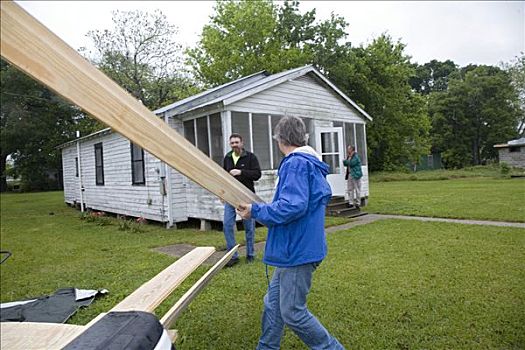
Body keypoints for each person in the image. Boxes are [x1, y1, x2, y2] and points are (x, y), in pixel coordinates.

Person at [237, 116, 344, 350]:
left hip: (298, 250)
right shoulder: (309, 161)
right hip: (298, 246)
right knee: (273, 304)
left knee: (293, 312)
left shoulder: (295, 163)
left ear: (280, 139)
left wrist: (256, 211)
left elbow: (292, 206)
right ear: (302, 137)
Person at [223, 133, 261, 267]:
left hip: (246, 197)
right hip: (230, 196)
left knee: (249, 227)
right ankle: (233, 256)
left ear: (242, 143)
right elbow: (223, 177)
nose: (234, 145)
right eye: (232, 143)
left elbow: (257, 174)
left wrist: (241, 172)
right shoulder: (227, 158)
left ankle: (250, 254)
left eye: (236, 142)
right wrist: (222, 194)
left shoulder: (250, 157)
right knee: (227, 225)